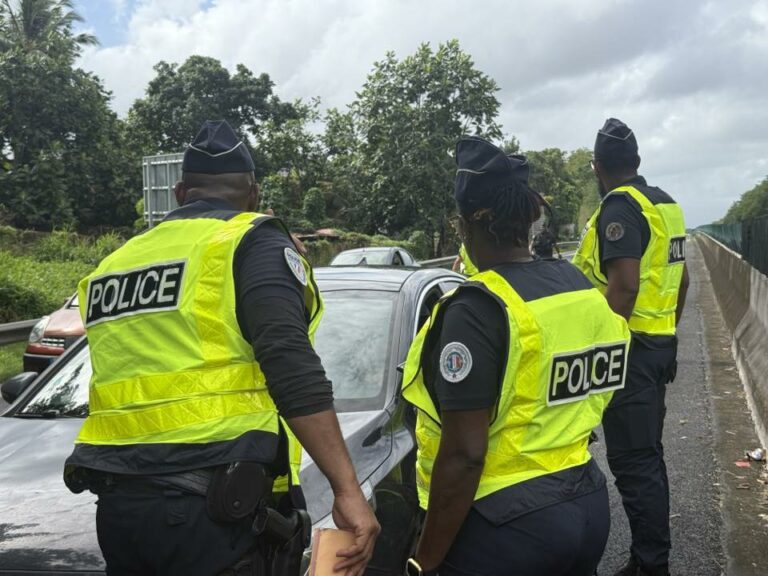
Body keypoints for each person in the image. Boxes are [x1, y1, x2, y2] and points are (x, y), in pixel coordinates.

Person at [63, 120, 379, 576]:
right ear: (253, 195)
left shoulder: (115, 262)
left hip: (118, 509)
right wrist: (346, 490)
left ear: (179, 193)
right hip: (210, 513)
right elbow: (290, 364)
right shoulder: (251, 241)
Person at [401, 136, 631, 576]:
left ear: (467, 225)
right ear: (529, 219)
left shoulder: (477, 308)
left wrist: (423, 562)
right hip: (587, 502)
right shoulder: (579, 289)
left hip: (503, 526)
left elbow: (465, 454)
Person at [572, 118, 689, 576]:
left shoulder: (620, 207)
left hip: (630, 353)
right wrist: (666, 333)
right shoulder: (666, 205)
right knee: (648, 457)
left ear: (597, 167)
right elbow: (681, 281)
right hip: (658, 345)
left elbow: (623, 290)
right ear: (636, 160)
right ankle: (648, 558)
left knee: (635, 463)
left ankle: (650, 565)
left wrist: (598, 356)